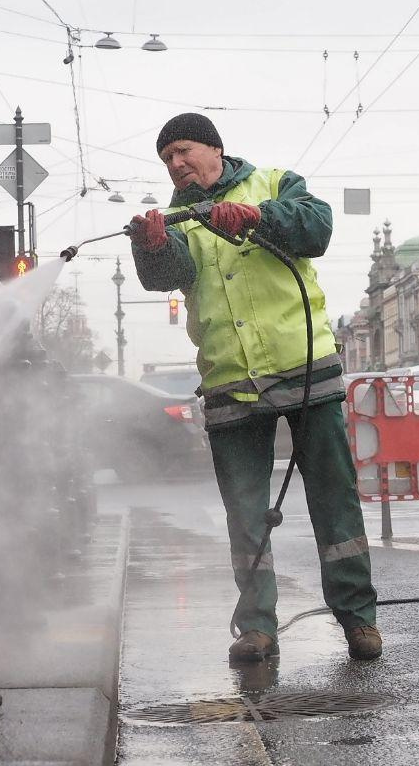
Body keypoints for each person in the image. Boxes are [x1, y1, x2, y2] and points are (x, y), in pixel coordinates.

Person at [128, 112, 381, 662]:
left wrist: (259, 217)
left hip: (305, 370)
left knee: (334, 501)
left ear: (216, 150)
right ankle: (257, 628)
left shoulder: (274, 183)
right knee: (244, 513)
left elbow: (316, 228)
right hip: (229, 379)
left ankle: (358, 619)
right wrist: (150, 246)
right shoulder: (175, 220)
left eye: (184, 150)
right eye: (167, 157)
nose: (176, 163)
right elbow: (165, 275)